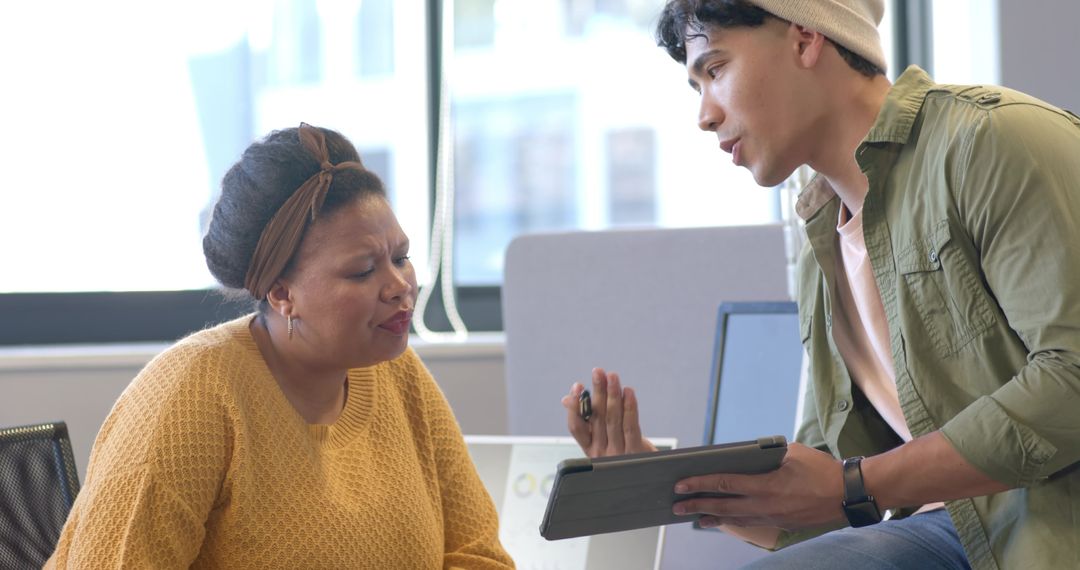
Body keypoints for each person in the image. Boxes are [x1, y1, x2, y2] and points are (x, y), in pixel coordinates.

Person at [561, 1, 1080, 568]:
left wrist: (852, 483)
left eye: (715, 70)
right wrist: (669, 487)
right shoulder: (821, 237)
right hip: (945, 528)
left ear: (806, 41)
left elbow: (1072, 378)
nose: (704, 115)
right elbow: (827, 501)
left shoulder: (991, 141)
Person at [47, 124, 514, 569]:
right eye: (362, 271)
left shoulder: (399, 373)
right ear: (282, 293)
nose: (400, 287)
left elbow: (479, 555)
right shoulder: (191, 396)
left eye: (400, 258)